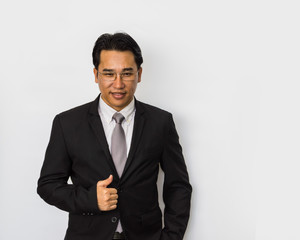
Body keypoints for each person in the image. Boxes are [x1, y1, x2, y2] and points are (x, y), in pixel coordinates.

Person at [37, 32, 192, 240]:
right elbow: (48, 186)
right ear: (96, 74)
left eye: (127, 73)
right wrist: (90, 199)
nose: (118, 84)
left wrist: (171, 237)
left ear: (139, 74)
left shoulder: (161, 123)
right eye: (109, 74)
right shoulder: (67, 123)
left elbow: (178, 186)